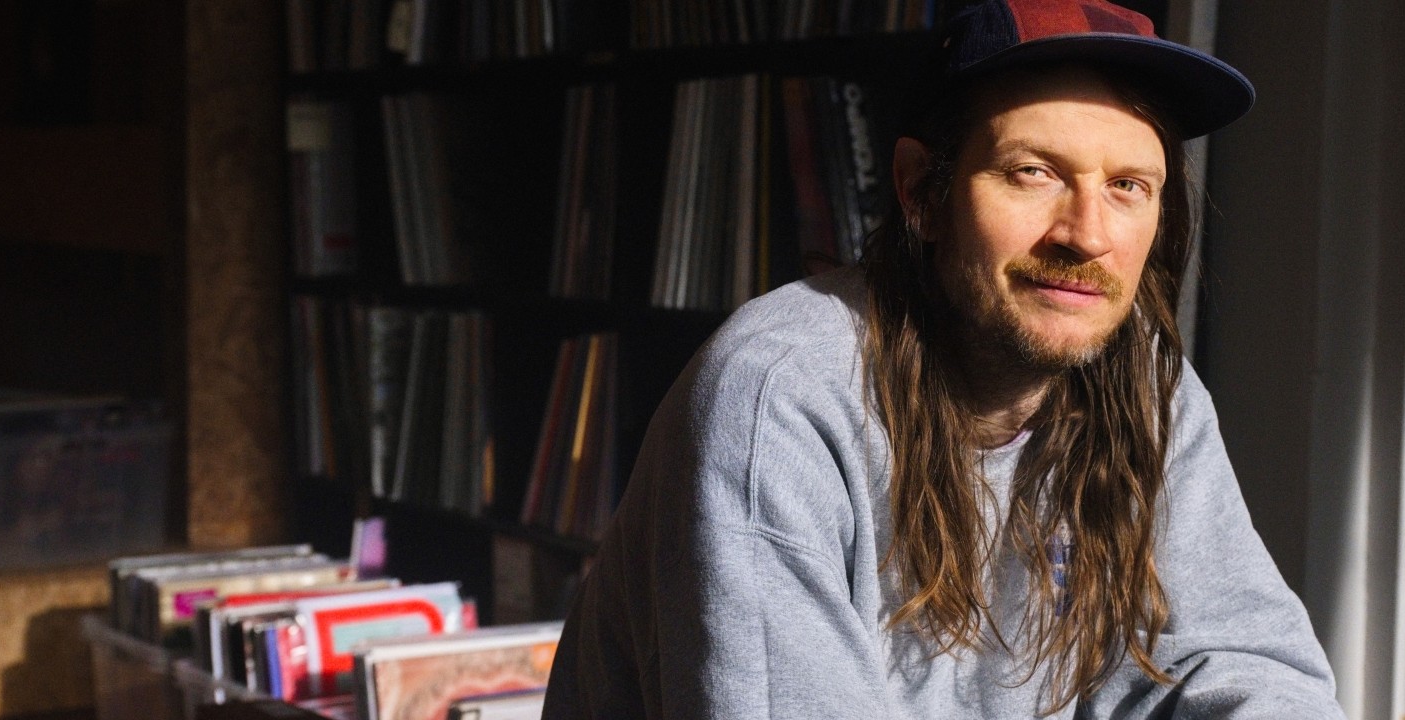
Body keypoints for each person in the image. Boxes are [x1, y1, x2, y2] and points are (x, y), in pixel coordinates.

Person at [541, 0, 1346, 717]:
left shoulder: (1141, 381)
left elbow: (1237, 656)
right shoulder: (779, 398)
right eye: (1033, 173)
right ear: (923, 192)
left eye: (1129, 186)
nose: (1087, 234)